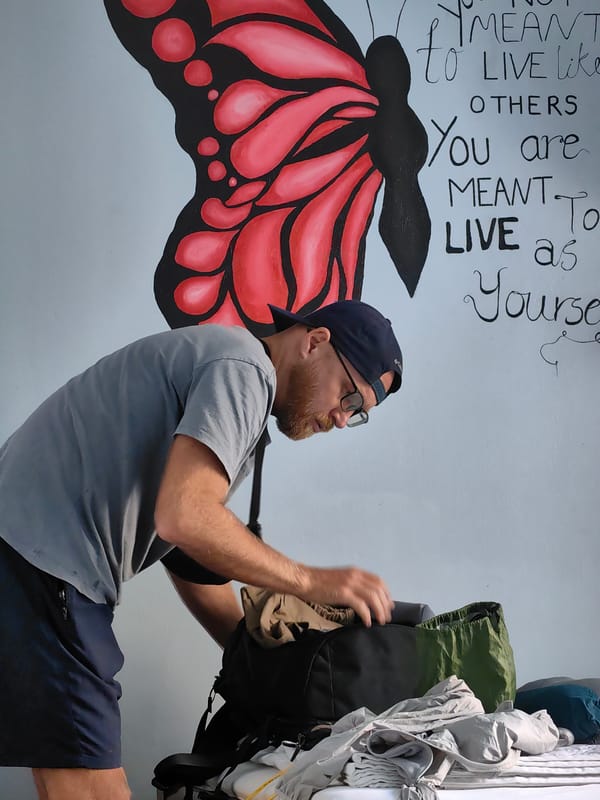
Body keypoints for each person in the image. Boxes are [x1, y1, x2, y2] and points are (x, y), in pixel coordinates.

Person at [0, 299, 404, 800]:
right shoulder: (244, 369)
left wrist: (258, 666)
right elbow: (187, 517)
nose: (342, 419)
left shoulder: (229, 370)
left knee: (65, 774)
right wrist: (313, 581)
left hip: (26, 552)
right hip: (42, 560)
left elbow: (185, 550)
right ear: (314, 341)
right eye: (348, 396)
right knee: (93, 785)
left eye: (358, 413)